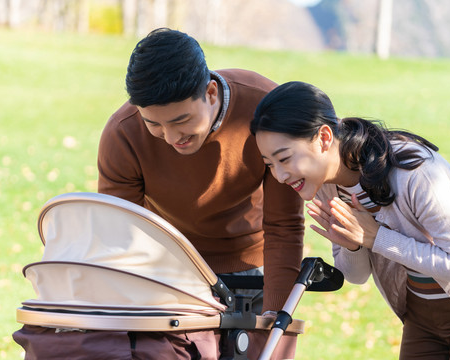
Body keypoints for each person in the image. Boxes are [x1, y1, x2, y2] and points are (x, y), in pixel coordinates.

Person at [250, 81, 450, 359]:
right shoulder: (325, 185)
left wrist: (375, 237)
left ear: (324, 138)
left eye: (284, 158)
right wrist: (353, 245)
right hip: (421, 317)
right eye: (269, 164)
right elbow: (356, 276)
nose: (279, 176)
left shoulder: (415, 172)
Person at [96, 28, 304, 359]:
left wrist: (276, 318)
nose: (169, 136)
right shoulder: (123, 135)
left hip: (251, 264)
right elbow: (122, 235)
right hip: (168, 267)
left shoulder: (264, 110)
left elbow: (284, 226)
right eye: (154, 125)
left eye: (181, 121)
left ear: (209, 93)